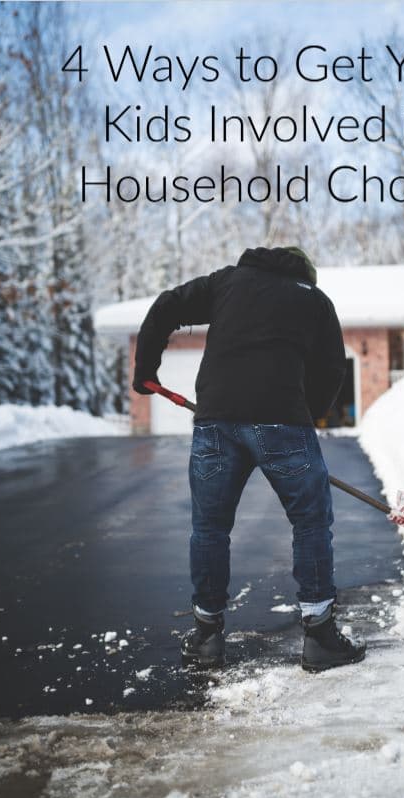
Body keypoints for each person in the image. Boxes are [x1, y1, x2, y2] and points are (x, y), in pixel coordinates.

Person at [133, 246, 366, 672]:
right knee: (310, 521)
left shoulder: (227, 282)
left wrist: (145, 367)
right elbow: (333, 366)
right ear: (306, 274)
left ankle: (206, 636)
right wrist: (302, 413)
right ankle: (319, 637)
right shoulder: (314, 300)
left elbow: (167, 304)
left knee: (210, 527)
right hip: (282, 421)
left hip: (216, 420)